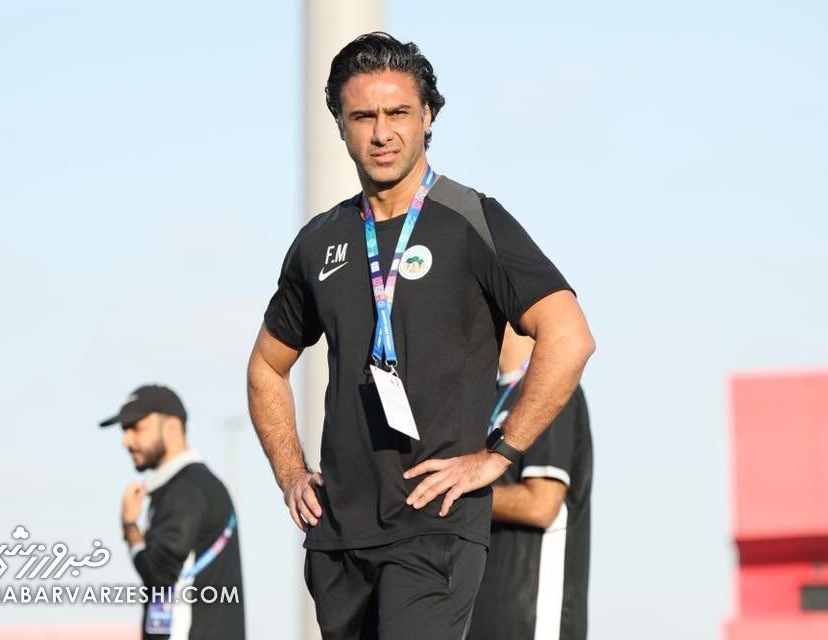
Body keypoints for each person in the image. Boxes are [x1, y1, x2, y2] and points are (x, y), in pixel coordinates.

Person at [246, 32, 595, 640]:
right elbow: (265, 368)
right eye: (363, 116)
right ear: (340, 124)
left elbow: (569, 335)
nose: (382, 133)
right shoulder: (319, 241)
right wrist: (291, 473)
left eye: (399, 112)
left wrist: (498, 455)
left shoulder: (471, 219)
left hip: (436, 525)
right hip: (338, 533)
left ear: (428, 116)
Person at [468, 327, 593, 640]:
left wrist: (455, 489)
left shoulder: (553, 388)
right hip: (477, 607)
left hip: (531, 613)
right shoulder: (483, 397)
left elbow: (541, 504)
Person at [99, 384, 246, 639]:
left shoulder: (187, 489)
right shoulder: (187, 486)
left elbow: (158, 575)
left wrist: (130, 527)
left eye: (136, 428)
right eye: (124, 430)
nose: (126, 440)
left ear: (172, 427)